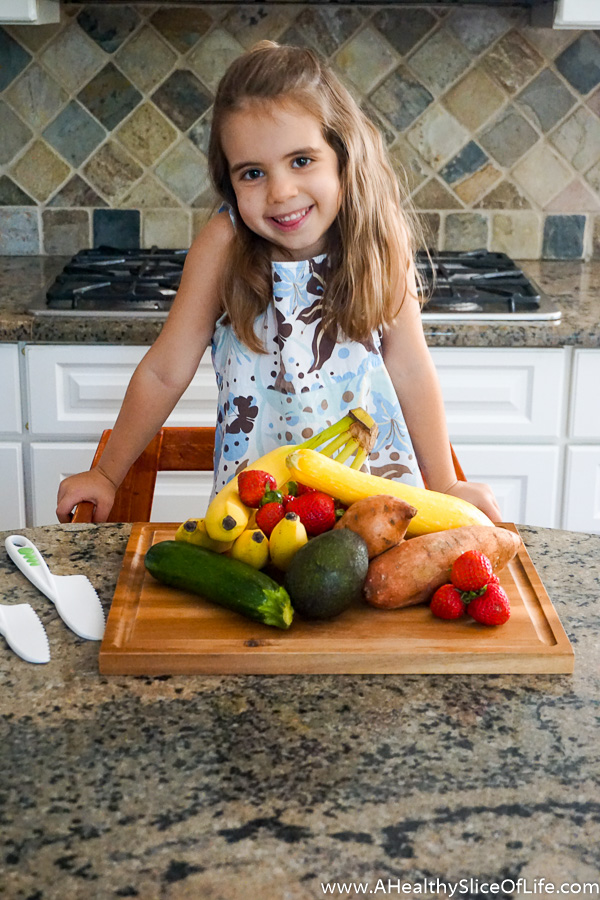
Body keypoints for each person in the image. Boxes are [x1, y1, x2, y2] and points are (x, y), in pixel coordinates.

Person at [56, 41, 501, 524]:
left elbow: (411, 368)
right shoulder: (224, 246)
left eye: (302, 160)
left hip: (375, 508)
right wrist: (105, 474)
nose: (281, 192)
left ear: (342, 154)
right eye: (253, 173)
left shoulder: (378, 238)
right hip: (257, 514)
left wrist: (446, 484)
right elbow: (165, 371)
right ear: (229, 182)